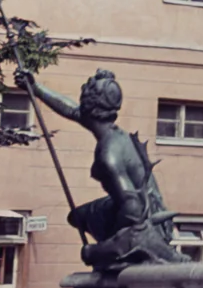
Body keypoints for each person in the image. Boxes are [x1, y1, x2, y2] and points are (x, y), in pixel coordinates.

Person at [14, 67, 182, 269]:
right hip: (140, 206)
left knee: (82, 218)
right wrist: (36, 88)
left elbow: (133, 210)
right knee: (79, 216)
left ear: (89, 106)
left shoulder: (109, 155)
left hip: (146, 220)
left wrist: (102, 248)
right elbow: (71, 110)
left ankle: (121, 253)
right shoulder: (114, 132)